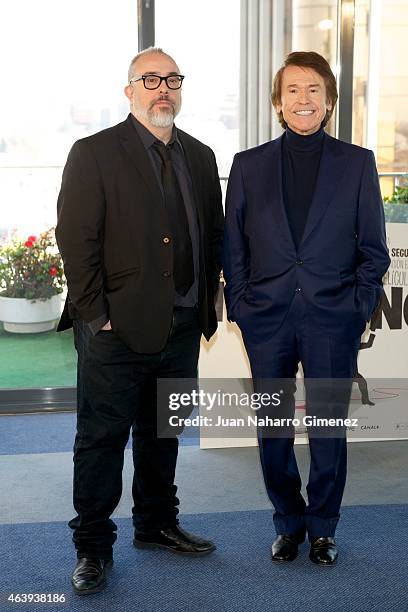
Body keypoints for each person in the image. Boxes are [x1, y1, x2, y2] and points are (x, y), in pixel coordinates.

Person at [56, 47, 223, 595]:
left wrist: (206, 306)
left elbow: (213, 237)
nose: (163, 89)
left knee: (163, 434)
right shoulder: (95, 153)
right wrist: (95, 316)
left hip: (180, 327)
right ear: (129, 91)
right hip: (115, 331)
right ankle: (93, 548)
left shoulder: (200, 156)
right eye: (150, 79)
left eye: (172, 79)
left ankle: (155, 524)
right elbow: (76, 242)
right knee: (101, 440)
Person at [223, 51, 390, 565]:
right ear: (278, 103)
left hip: (331, 319)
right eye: (292, 90)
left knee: (327, 429)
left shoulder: (357, 163)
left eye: (314, 90)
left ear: (329, 102)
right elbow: (234, 247)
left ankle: (323, 526)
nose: (303, 99)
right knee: (272, 430)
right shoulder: (247, 166)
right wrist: (244, 305)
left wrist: (355, 307)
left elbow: (374, 251)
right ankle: (288, 522)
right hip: (267, 319)